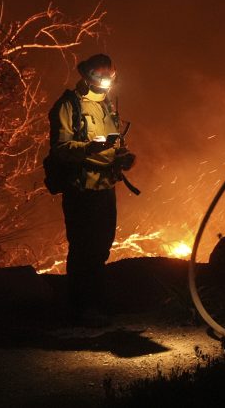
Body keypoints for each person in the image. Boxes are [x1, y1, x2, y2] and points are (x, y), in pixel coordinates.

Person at [48, 53, 136, 326]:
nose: (105, 82)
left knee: (101, 247)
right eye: (100, 77)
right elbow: (61, 148)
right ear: (86, 76)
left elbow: (116, 143)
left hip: (105, 187)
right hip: (81, 188)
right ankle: (80, 308)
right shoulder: (68, 106)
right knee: (83, 248)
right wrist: (90, 148)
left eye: (110, 77)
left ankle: (96, 303)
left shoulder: (107, 104)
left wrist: (122, 157)